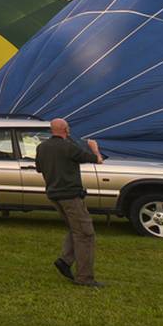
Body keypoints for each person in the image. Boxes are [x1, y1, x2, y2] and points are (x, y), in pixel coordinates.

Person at [35, 118, 104, 288]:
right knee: (85, 234)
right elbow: (96, 160)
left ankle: (65, 261)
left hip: (54, 195)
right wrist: (95, 149)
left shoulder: (42, 147)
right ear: (66, 129)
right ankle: (84, 277)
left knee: (76, 229)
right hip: (71, 196)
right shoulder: (69, 147)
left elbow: (39, 168)